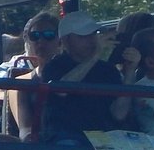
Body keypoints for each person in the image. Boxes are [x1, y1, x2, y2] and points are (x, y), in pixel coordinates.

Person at [40, 10, 139, 142]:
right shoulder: (54, 66)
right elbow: (62, 89)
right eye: (83, 36)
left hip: (104, 138)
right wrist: (96, 55)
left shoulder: (107, 70)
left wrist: (130, 71)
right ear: (66, 40)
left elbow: (119, 113)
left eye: (93, 34)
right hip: (65, 136)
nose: (91, 40)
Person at [0, 11, 61, 140]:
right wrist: (14, 93)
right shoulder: (16, 75)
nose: (40, 41)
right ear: (27, 40)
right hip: (35, 138)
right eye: (34, 36)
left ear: (60, 40)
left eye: (48, 35)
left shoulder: (71, 72)